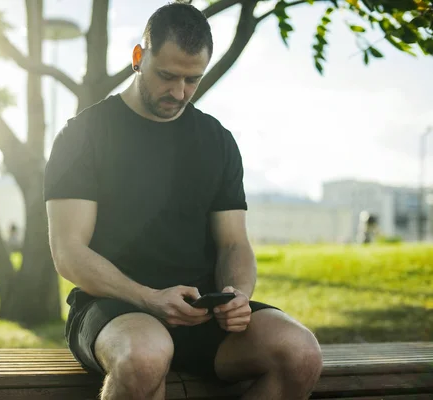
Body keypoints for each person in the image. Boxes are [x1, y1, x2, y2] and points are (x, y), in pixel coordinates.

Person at [44, 3, 323, 399]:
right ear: (139, 57)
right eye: (167, 75)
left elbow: (233, 243)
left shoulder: (217, 141)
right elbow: (68, 252)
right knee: (145, 358)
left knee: (301, 354)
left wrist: (237, 294)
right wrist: (150, 299)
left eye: (192, 79)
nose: (179, 92)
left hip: (201, 314)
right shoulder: (83, 135)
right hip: (114, 310)